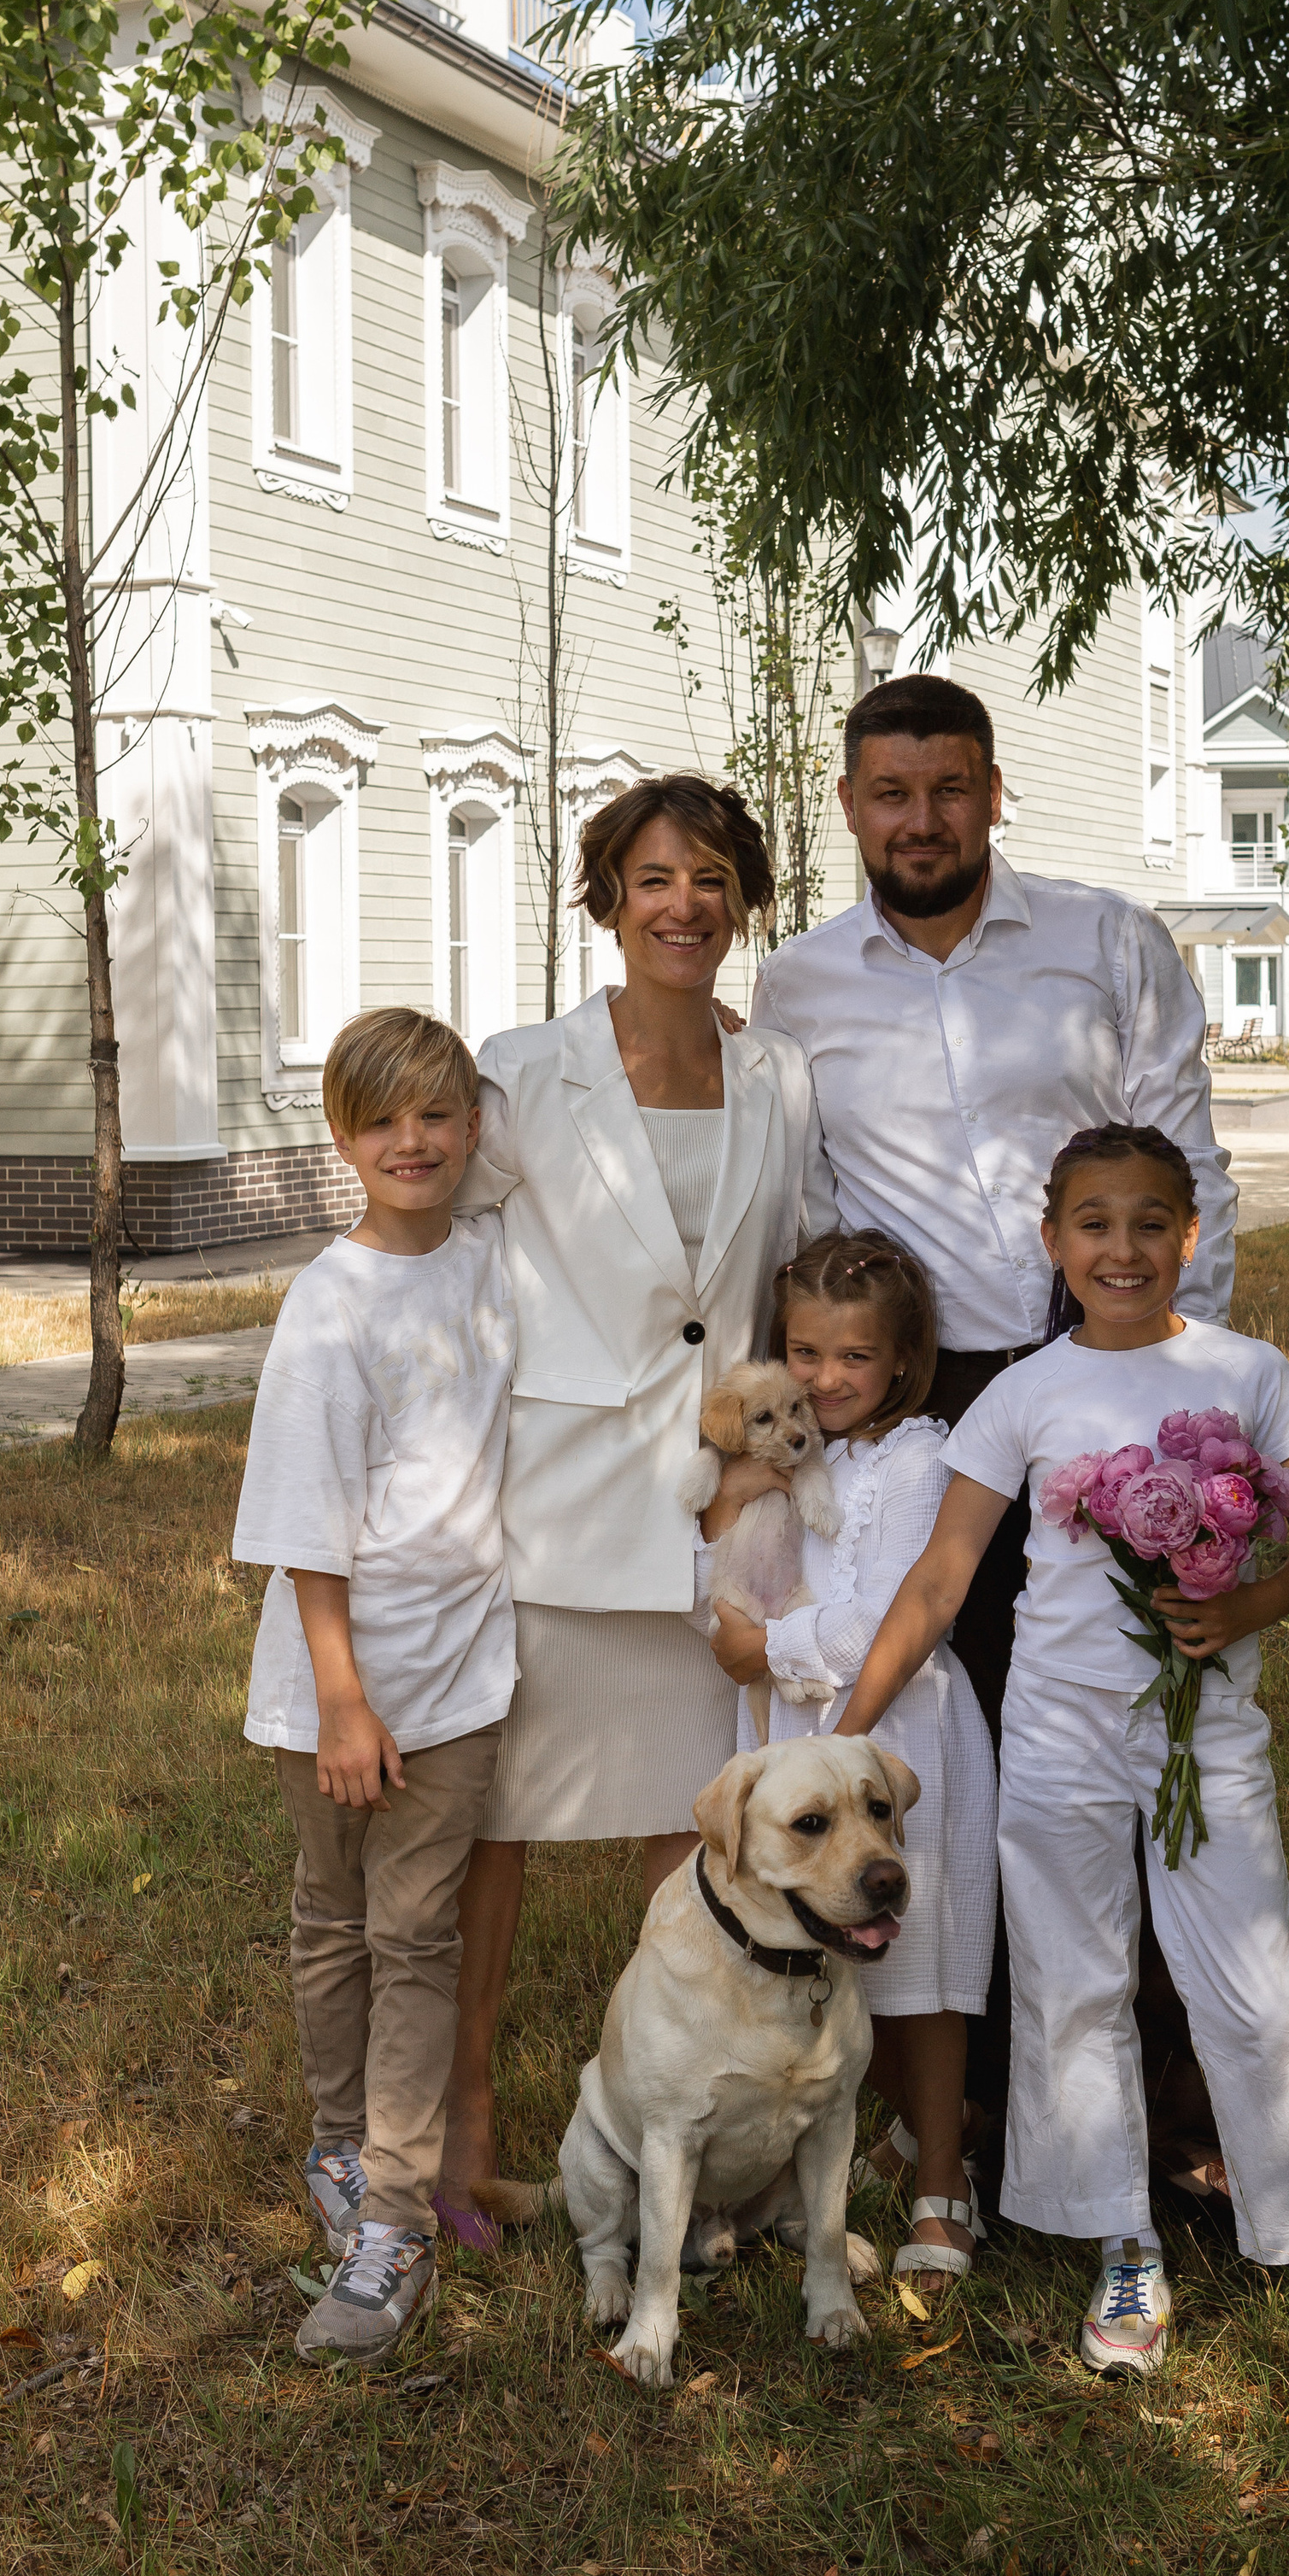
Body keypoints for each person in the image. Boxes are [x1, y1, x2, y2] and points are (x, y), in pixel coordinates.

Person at [836, 1120, 1289, 2375]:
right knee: (1073, 1980)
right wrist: (848, 1728)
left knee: (1253, 1982)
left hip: (1205, 1731)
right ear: (1053, 1241)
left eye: (1150, 1224)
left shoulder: (1245, 1372)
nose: (1123, 1249)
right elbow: (942, 1580)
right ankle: (1122, 2236)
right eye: (1094, 1225)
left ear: (1190, 1236)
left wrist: (1242, 1608)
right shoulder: (1024, 1393)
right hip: (1058, 1734)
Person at [749, 670, 1235, 2188]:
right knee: (950, 1760)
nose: (923, 820)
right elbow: (813, 1207)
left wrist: (1177, 1401)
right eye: (892, 795)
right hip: (917, 1413)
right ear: (849, 806)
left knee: (1123, 1733)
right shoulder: (799, 986)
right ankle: (969, 2109)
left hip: (1096, 1378)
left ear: (995, 791)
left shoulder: (1107, 943)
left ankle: (1180, 2108)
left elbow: (1189, 1171)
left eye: (950, 788)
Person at [436, 773, 832, 2236]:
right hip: (557, 1506)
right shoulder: (524, 1071)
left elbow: (793, 1272)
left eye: (713, 879)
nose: (685, 905)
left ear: (744, 904)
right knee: (498, 1833)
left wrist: (773, 1452)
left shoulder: (781, 1076)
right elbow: (449, 1254)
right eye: (656, 878)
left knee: (705, 1841)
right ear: (608, 898)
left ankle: (707, 2137)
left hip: (722, 1520)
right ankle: (466, 2115)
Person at [231, 1007, 517, 2365]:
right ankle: (339, 2143)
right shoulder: (330, 1303)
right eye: (383, 1120)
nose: (414, 1142)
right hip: (337, 1686)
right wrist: (343, 1703)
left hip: (459, 1678)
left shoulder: (491, 1267)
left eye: (437, 1115)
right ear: (343, 1139)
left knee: (415, 1938)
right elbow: (304, 1519)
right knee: (332, 1919)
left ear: (473, 1128)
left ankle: (394, 2219)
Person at [695, 1230, 997, 2297]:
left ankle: (943, 2181)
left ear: (903, 1359)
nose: (825, 1380)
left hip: (897, 1734)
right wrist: (737, 1618)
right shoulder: (779, 1455)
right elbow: (717, 1584)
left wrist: (766, 1648)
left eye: (854, 1358)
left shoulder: (917, 1459)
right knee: (808, 1958)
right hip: (788, 1740)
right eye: (805, 1354)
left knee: (918, 1967)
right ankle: (825, 2160)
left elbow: (885, 1617)